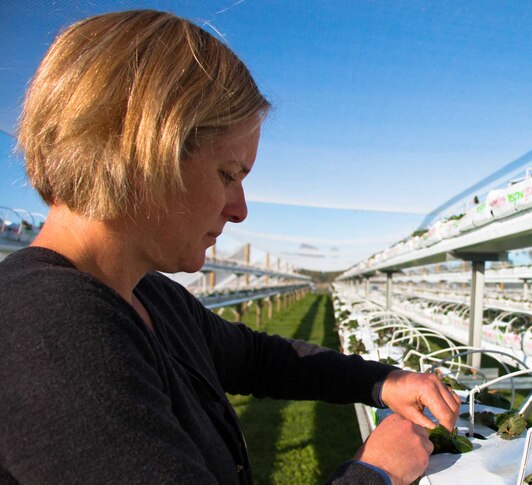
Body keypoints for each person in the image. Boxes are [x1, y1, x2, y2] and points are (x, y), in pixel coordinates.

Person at [0, 10, 460, 485]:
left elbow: (258, 358)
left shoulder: (148, 295)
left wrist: (384, 381)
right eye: (228, 175)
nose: (239, 210)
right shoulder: (48, 333)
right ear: (141, 154)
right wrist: (374, 473)